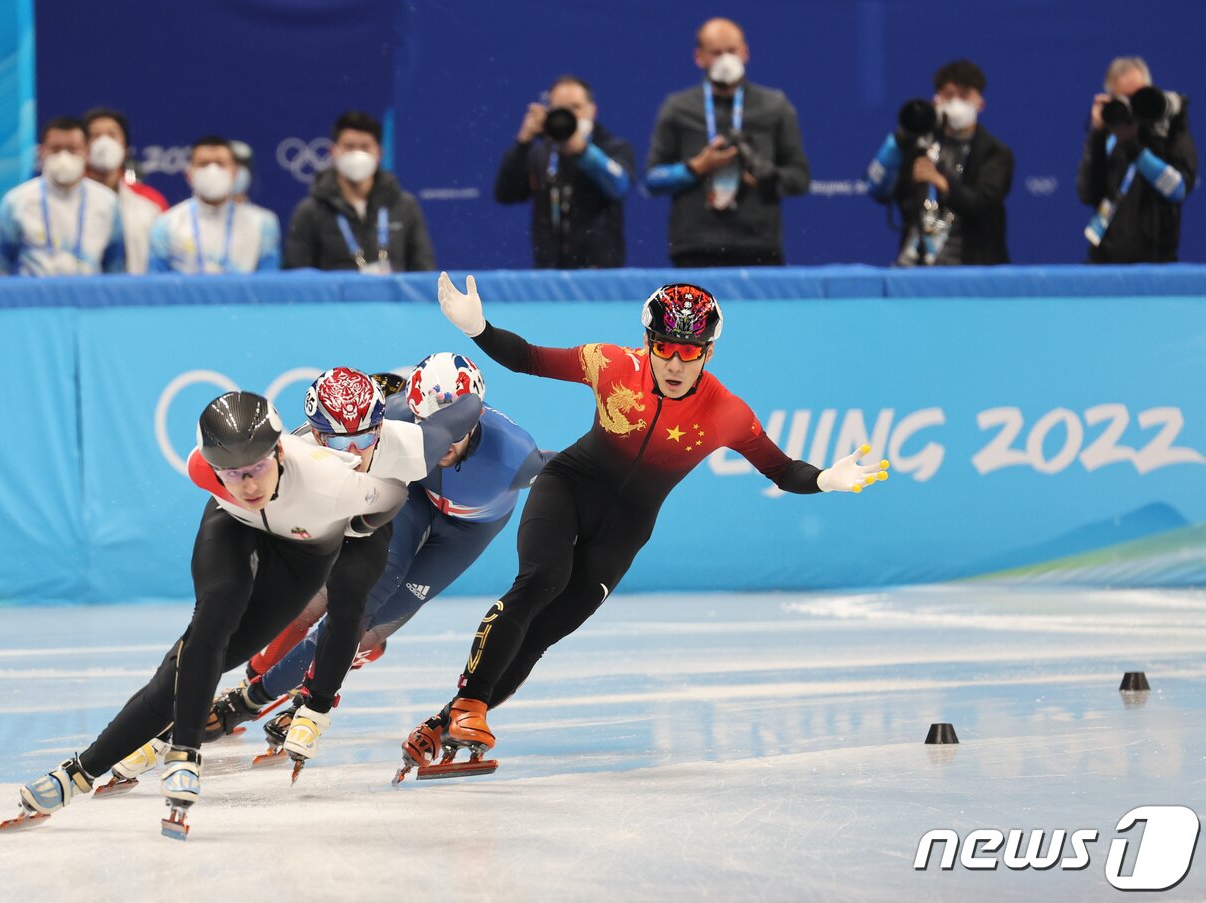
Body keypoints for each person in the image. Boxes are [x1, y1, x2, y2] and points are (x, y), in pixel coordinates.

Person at [398, 274, 890, 776]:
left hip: (627, 526)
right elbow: (529, 357)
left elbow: (781, 470)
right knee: (541, 581)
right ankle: (469, 706)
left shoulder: (726, 412)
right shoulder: (611, 365)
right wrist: (478, 328)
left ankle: (443, 723)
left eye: (690, 352)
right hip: (568, 486)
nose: (676, 364)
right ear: (647, 344)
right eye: (666, 349)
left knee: (549, 628)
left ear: (709, 354)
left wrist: (825, 478)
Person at [2, 390, 406, 837]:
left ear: (279, 452)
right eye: (232, 474)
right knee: (214, 614)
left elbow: (393, 495)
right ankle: (178, 754)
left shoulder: (329, 479)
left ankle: (81, 771)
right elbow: (236, 487)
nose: (248, 485)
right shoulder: (204, 471)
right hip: (235, 525)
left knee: (189, 671)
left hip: (305, 552)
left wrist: (358, 526)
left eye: (257, 469)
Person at [103, 367, 484, 785]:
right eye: (340, 440)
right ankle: (184, 720)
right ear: (318, 436)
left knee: (361, 618)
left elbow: (459, 417)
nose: (355, 452)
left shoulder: (407, 438)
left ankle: (282, 698)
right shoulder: (295, 454)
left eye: (364, 437)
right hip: (306, 529)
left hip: (367, 524)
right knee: (266, 617)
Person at [242, 355, 549, 756]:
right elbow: (303, 445)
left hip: (467, 529)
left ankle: (307, 684)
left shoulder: (517, 456)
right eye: (427, 428)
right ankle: (259, 679)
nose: (440, 443)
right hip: (415, 496)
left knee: (374, 623)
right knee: (338, 598)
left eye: (453, 431)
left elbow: (570, 474)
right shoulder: (397, 418)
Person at [644, 18, 810, 267]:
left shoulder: (775, 105)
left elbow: (800, 178)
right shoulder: (677, 108)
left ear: (745, 52)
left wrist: (769, 179)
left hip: (759, 246)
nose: (725, 59)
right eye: (716, 52)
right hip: (694, 247)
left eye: (731, 51)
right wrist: (695, 168)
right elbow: (653, 179)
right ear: (699, 57)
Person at [865, 59, 1014, 266]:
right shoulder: (917, 146)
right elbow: (877, 189)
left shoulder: (995, 154)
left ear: (980, 103)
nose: (955, 102)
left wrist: (941, 182)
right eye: (948, 95)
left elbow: (983, 204)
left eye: (964, 96)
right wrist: (899, 141)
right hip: (913, 268)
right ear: (937, 100)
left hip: (970, 271)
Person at [494, 75, 634, 268]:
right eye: (560, 108)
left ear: (592, 110)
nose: (569, 115)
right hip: (549, 273)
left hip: (600, 273)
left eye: (575, 107)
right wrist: (523, 142)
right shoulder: (541, 152)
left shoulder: (613, 148)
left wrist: (583, 151)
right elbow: (506, 193)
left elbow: (618, 187)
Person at [1077, 57, 1197, 263]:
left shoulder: (1169, 131)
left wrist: (1134, 148)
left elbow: (1178, 189)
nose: (1133, 107)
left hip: (1157, 263)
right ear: (1111, 97)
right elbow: (1087, 193)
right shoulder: (1107, 133)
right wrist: (1097, 133)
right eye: (1125, 98)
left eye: (1139, 96)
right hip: (1104, 261)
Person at [284, 110, 434, 273]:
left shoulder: (405, 205)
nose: (357, 154)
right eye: (349, 147)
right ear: (333, 152)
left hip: (392, 298)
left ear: (379, 153)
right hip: (336, 299)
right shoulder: (309, 211)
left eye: (365, 147)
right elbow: (297, 276)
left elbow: (423, 269)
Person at [0, 116, 125, 276]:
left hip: (87, 299)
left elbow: (115, 269)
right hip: (32, 299)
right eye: (55, 149)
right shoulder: (16, 202)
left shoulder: (107, 203)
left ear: (87, 152)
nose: (64, 156)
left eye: (72, 149)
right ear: (42, 152)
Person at [147, 135, 281, 274]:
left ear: (235, 173)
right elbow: (157, 287)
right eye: (203, 164)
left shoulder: (263, 224)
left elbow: (268, 286)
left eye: (220, 163)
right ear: (189, 174)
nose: (213, 170)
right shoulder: (166, 224)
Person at [83, 107, 168, 274]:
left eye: (112, 135)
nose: (104, 143)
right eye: (95, 136)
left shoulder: (152, 202)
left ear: (126, 148)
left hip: (137, 296)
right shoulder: (68, 201)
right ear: (82, 147)